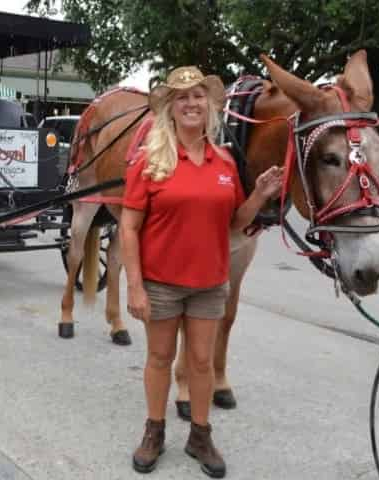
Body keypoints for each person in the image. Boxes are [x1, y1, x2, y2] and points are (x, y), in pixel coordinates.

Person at [121, 66, 283, 478]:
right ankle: (154, 431)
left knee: (201, 363)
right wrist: (135, 288)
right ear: (171, 109)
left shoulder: (224, 160)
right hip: (161, 283)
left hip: (210, 284)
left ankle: (200, 435)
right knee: (159, 359)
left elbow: (235, 223)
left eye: (198, 97)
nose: (191, 103)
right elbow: (129, 226)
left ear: (209, 106)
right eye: (182, 97)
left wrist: (261, 194)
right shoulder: (150, 161)